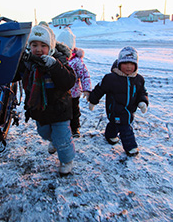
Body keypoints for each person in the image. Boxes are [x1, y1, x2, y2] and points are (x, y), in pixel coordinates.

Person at [16, 24, 76, 175]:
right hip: (40, 110)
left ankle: (66, 161)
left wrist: (55, 66)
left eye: (43, 45)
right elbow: (14, 75)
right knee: (44, 133)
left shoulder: (59, 61)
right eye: (34, 45)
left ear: (51, 48)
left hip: (60, 108)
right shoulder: (27, 63)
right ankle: (54, 140)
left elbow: (68, 81)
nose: (38, 49)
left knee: (62, 138)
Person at [88, 46, 149, 156]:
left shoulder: (138, 79)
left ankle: (110, 135)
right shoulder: (111, 78)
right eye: (125, 63)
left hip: (129, 110)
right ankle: (131, 147)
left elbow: (142, 92)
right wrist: (93, 100)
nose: (129, 67)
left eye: (132, 64)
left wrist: (143, 102)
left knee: (115, 124)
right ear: (119, 63)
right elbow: (100, 89)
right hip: (115, 109)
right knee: (125, 128)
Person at [57, 28, 92, 137]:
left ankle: (75, 127)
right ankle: (63, 128)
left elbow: (84, 74)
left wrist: (87, 89)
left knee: (74, 111)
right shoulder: (56, 58)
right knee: (60, 111)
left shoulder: (76, 61)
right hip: (59, 93)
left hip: (73, 93)